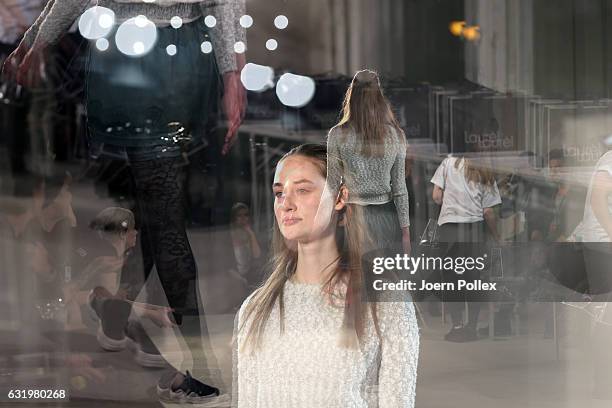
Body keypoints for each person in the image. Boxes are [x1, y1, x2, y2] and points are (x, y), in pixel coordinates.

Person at [2, 0, 247, 404]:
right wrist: (232, 73)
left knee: (158, 207)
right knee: (154, 200)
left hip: (134, 56)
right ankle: (126, 325)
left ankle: (200, 371)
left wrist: (35, 42)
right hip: (178, 56)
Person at [232, 144, 419, 408]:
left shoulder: (386, 304)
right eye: (278, 193)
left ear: (340, 197)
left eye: (302, 190)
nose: (286, 204)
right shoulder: (255, 308)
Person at [327, 69, 411, 256]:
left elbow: (332, 186)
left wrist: (321, 226)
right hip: (386, 218)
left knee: (352, 279)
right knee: (384, 280)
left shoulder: (337, 134)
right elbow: (399, 188)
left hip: (351, 218)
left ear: (352, 95)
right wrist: (405, 232)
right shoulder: (396, 135)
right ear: (379, 97)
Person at [431, 154, 501, 342]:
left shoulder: (447, 162)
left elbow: (436, 196)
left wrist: (451, 200)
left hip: (450, 228)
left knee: (452, 278)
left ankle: (457, 325)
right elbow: (488, 211)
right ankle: (472, 327)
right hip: (474, 229)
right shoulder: (483, 166)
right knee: (473, 279)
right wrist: (497, 237)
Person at [230, 202, 261, 285]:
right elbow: (227, 265)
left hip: (248, 275)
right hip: (234, 276)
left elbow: (257, 255)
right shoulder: (228, 236)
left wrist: (251, 234)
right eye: (239, 215)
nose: (243, 218)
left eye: (246, 215)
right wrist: (239, 279)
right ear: (234, 218)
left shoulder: (250, 234)